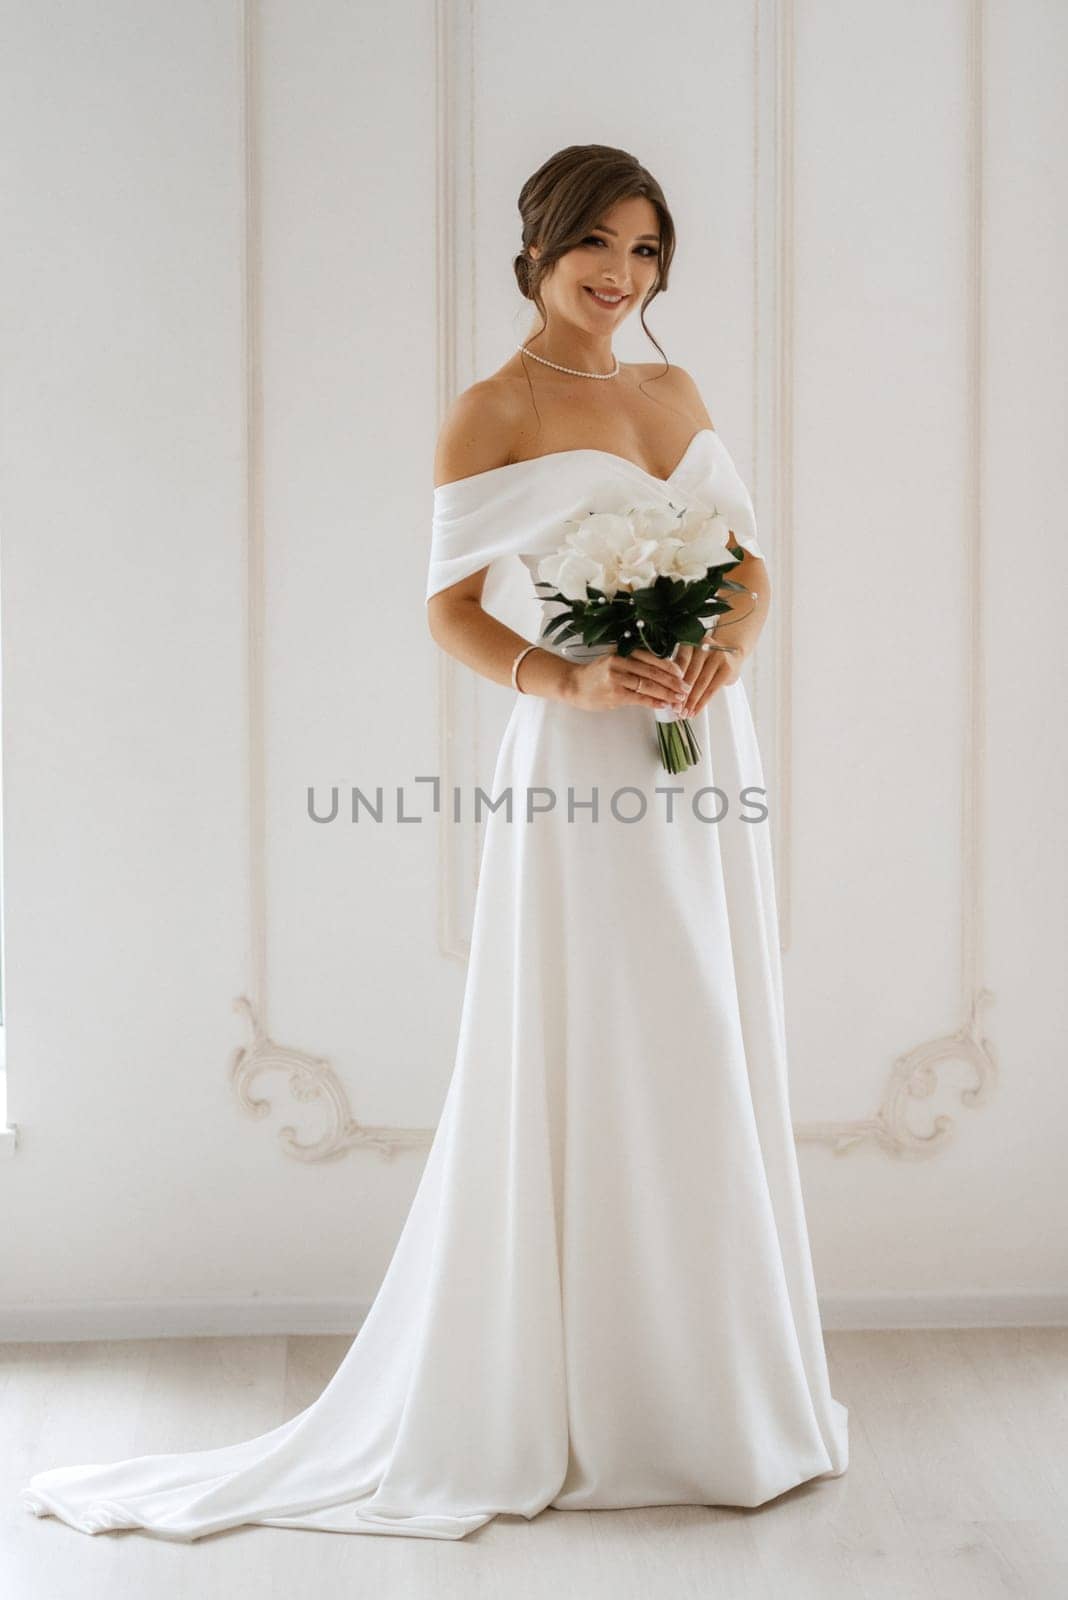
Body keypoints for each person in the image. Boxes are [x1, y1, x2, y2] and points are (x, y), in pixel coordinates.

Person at [22, 142, 847, 1543]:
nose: (624, 275)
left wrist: (733, 642)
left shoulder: (674, 388)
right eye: (601, 242)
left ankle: (721, 1394)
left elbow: (748, 560)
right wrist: (574, 681)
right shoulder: (491, 410)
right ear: (539, 244)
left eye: (648, 253)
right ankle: (583, 1398)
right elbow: (452, 609)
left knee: (707, 1032)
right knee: (602, 1034)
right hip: (583, 755)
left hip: (703, 746)